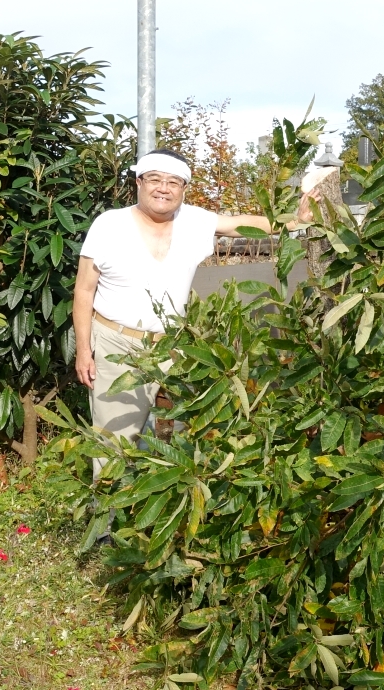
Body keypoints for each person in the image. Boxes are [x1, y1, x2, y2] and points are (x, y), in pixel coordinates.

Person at [72, 148, 316, 476]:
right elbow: (83, 290)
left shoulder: (194, 221)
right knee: (113, 442)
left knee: (183, 435)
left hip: (174, 345)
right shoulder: (109, 225)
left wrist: (295, 221)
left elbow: (241, 225)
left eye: (173, 182)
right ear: (139, 182)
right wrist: (83, 350)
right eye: (155, 179)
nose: (163, 188)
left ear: (184, 188)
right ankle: (105, 506)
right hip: (118, 345)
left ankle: (162, 502)